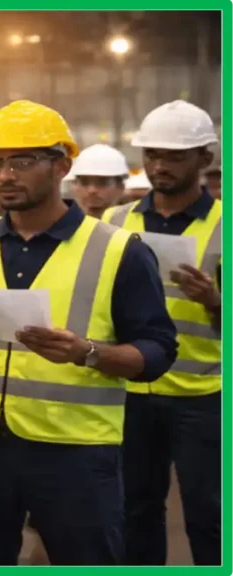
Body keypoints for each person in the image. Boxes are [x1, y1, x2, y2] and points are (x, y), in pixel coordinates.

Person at [0, 100, 178, 565]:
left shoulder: (118, 251)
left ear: (61, 166)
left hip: (73, 452)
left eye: (21, 161)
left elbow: (158, 352)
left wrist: (88, 353)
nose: (4, 175)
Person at [102, 100, 221, 567]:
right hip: (129, 388)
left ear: (204, 160)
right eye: (152, 154)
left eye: (173, 156)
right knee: (133, 509)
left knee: (210, 514)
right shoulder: (113, 223)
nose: (158, 166)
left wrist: (215, 301)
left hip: (203, 392)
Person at [70, 144, 129, 219]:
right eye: (84, 182)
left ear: (121, 187)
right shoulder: (60, 227)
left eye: (102, 183)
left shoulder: (136, 226)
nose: (92, 190)